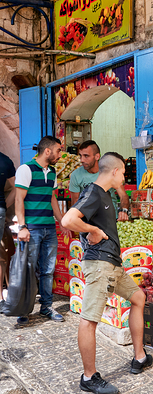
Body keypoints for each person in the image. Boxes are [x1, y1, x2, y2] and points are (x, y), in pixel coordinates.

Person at [62, 152, 152, 394]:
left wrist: (95, 230)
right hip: (100, 265)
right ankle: (89, 377)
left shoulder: (104, 195)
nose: (124, 177)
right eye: (123, 172)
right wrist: (92, 230)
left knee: (138, 298)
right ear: (114, 171)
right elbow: (68, 220)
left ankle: (140, 357)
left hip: (113, 264)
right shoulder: (93, 192)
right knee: (89, 320)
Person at [14, 136, 67, 324]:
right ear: (47, 151)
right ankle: (25, 309)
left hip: (49, 228)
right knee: (29, 269)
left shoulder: (52, 171)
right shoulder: (26, 169)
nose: (60, 154)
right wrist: (22, 227)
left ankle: (46, 307)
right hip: (32, 229)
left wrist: (62, 221)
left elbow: (52, 199)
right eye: (58, 150)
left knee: (48, 270)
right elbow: (19, 199)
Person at [70, 141, 130, 221]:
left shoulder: (108, 171)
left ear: (97, 156)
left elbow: (123, 195)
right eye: (80, 156)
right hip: (90, 223)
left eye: (86, 156)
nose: (82, 160)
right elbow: (75, 203)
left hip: (111, 220)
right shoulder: (76, 175)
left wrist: (124, 211)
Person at [0, 151, 16, 297]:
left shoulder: (5, 161)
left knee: (4, 252)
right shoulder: (5, 160)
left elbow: (15, 188)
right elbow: (16, 187)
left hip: (3, 211)